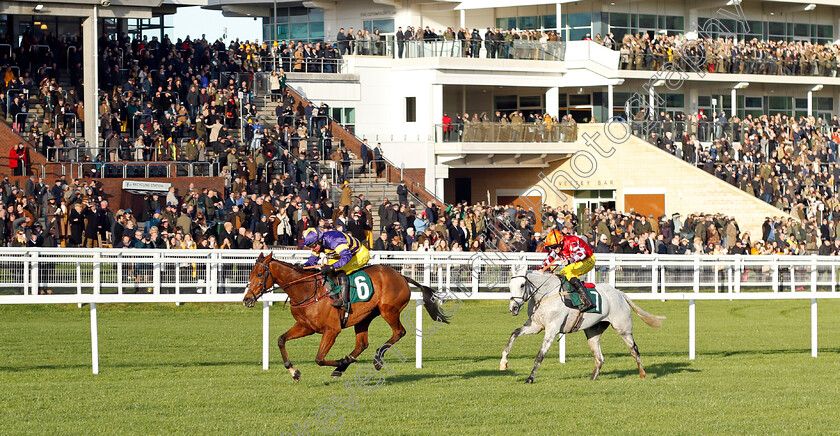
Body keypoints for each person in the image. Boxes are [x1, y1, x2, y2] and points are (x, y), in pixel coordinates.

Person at [301, 227, 370, 313]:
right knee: (328, 270)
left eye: (312, 246)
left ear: (319, 241)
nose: (312, 248)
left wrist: (331, 267)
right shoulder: (318, 244)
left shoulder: (335, 240)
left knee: (338, 270)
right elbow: (312, 260)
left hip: (358, 254)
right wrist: (304, 267)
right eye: (309, 246)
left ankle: (344, 302)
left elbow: (346, 257)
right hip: (340, 256)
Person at [541, 229, 595, 311]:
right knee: (562, 273)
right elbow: (549, 257)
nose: (553, 249)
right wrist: (542, 268)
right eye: (551, 247)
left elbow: (582, 253)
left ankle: (588, 301)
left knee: (570, 273)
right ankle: (570, 296)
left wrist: (570, 260)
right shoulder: (557, 246)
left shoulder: (571, 242)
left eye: (554, 247)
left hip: (588, 260)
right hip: (578, 261)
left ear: (561, 242)